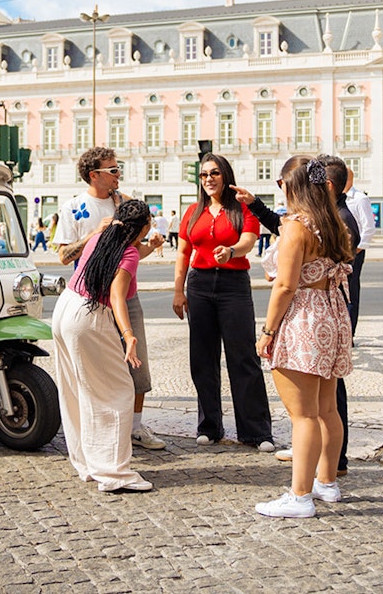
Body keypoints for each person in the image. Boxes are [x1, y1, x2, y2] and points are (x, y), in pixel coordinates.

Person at [233, 154, 359, 474]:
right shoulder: (332, 222)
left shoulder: (295, 226)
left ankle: (301, 494)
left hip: (304, 316)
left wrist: (268, 332)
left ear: (293, 185)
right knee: (328, 410)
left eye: (282, 184)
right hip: (331, 313)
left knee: (303, 416)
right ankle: (327, 482)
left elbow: (286, 286)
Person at [55, 147, 166, 450]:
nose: (119, 174)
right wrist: (94, 234)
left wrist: (151, 244)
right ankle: (96, 431)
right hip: (93, 300)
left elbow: (131, 254)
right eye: (114, 170)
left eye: (119, 168)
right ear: (95, 175)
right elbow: (64, 255)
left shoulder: (125, 203)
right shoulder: (74, 207)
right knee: (95, 369)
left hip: (127, 295)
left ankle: (136, 427)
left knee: (137, 365)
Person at [172, 153, 275, 452]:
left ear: (226, 175)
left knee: (243, 357)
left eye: (214, 173)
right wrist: (179, 291)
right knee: (202, 359)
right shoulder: (192, 211)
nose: (209, 179)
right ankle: (209, 426)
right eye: (204, 175)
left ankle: (255, 431)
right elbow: (182, 254)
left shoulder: (242, 208)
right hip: (200, 285)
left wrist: (231, 252)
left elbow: (248, 241)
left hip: (234, 286)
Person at [51, 199, 155, 492]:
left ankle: (87, 463)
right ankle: (114, 474)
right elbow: (117, 296)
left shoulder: (102, 237)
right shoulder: (129, 251)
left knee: (77, 390)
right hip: (89, 317)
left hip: (66, 307)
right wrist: (129, 334)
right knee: (118, 392)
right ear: (143, 227)